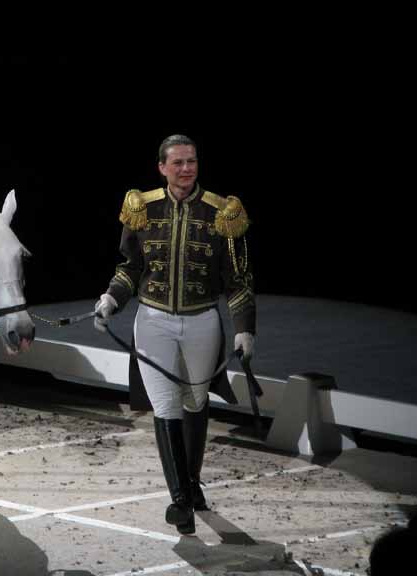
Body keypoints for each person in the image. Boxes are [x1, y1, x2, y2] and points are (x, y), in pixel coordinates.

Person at [94, 134, 256, 535]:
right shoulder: (141, 208)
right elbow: (130, 268)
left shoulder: (224, 213)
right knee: (166, 406)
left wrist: (245, 330)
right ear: (162, 167)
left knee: (196, 402)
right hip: (153, 322)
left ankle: (191, 484)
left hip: (203, 322)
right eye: (178, 162)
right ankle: (181, 500)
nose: (187, 168)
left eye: (192, 161)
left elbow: (238, 281)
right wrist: (111, 300)